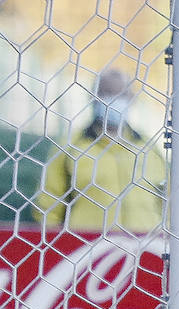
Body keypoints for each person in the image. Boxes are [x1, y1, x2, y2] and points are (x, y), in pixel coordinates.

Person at [31, 67, 166, 234]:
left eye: (122, 95)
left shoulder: (149, 147)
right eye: (107, 93)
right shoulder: (71, 146)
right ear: (93, 97)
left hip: (145, 247)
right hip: (87, 249)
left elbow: (167, 201)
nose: (114, 100)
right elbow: (48, 203)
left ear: (132, 99)